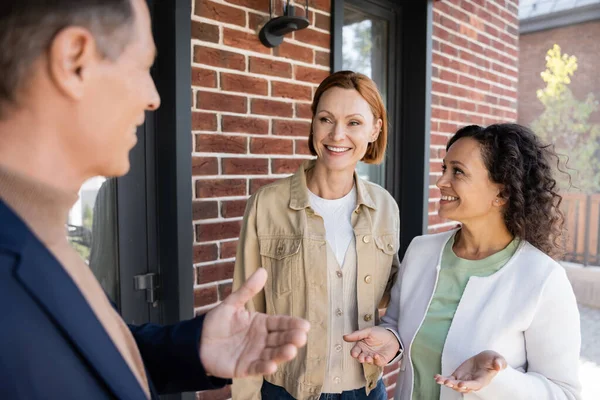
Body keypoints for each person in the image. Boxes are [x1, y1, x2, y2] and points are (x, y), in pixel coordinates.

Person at [0, 0, 310, 399]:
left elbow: (78, 351)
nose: (153, 98)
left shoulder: (36, 231)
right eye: (144, 67)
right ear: (74, 60)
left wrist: (193, 350)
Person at [343, 123, 582, 400]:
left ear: (502, 194)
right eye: (444, 168)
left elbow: (564, 394)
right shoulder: (422, 252)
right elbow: (397, 324)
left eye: (458, 171)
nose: (441, 181)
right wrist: (391, 340)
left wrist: (497, 379)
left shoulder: (543, 278)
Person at [232, 70, 400, 400]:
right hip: (287, 390)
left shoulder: (384, 207)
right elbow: (246, 314)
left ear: (374, 128)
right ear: (313, 124)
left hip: (365, 389)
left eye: (354, 122)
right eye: (326, 119)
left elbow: (391, 298)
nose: (337, 134)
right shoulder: (267, 205)